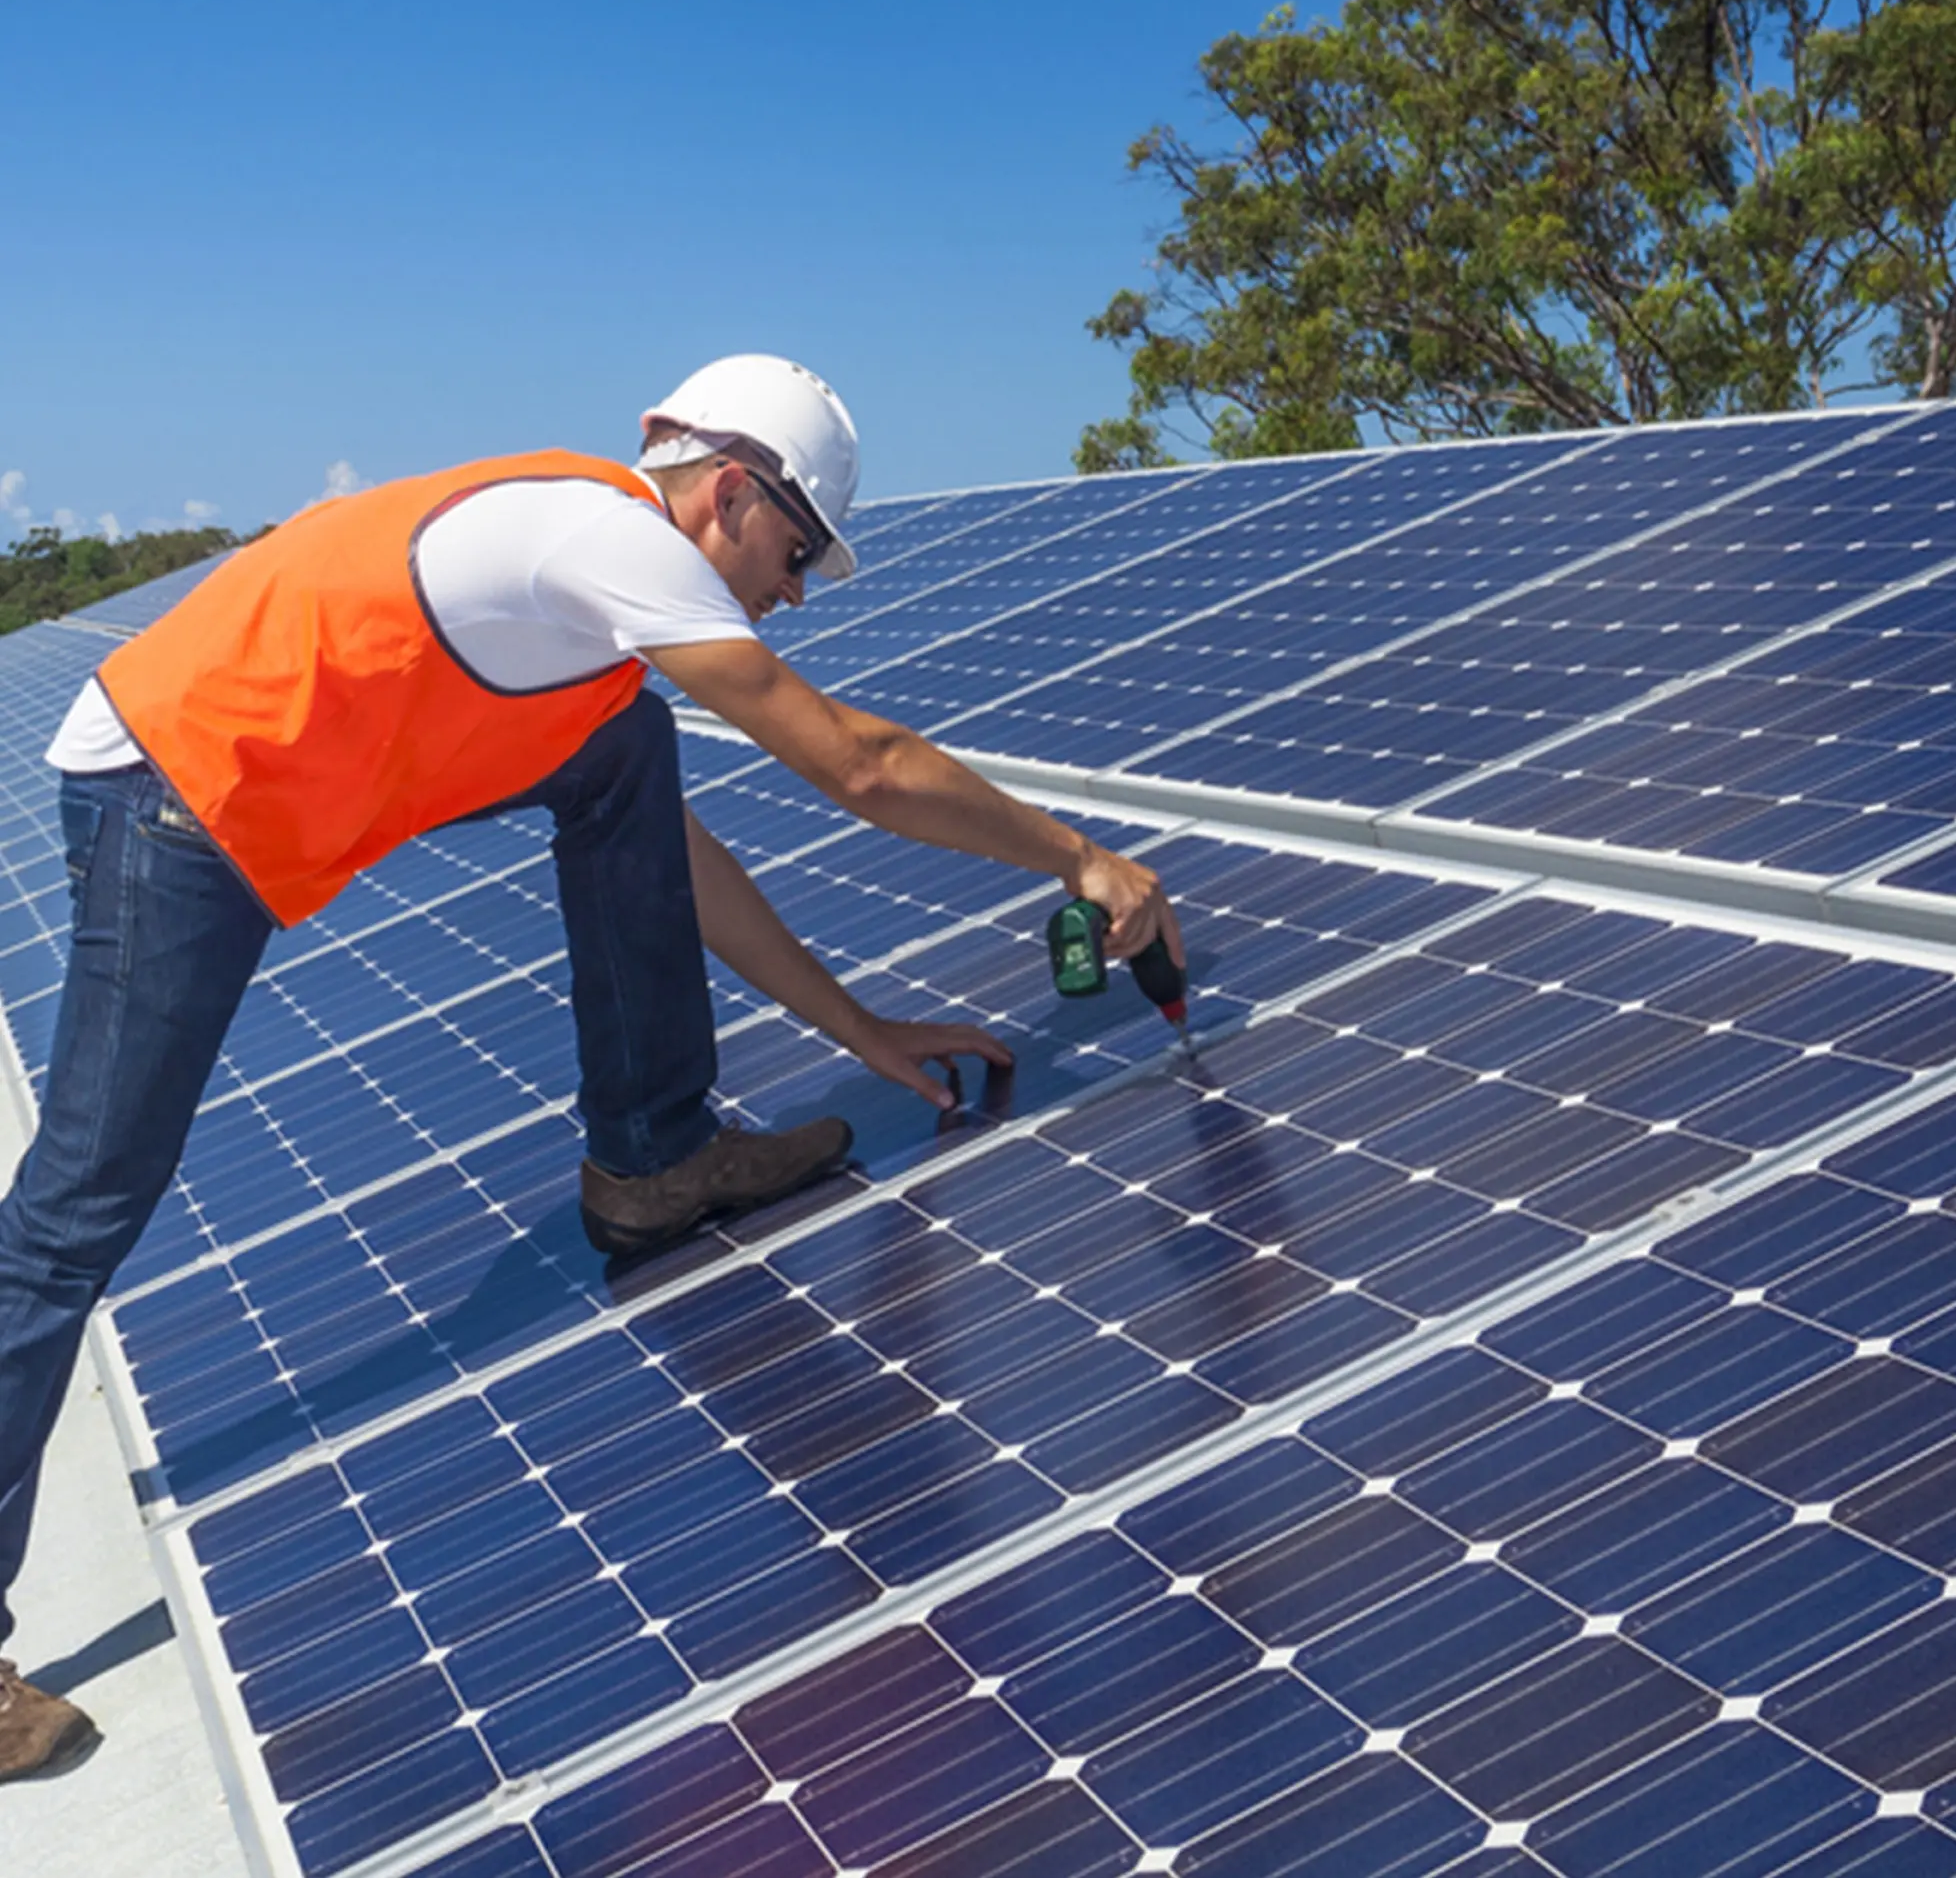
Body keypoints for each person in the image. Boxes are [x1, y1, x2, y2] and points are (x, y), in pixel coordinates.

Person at [0, 355, 1176, 1781]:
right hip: (176, 788)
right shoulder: (610, 538)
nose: (793, 590)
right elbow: (856, 763)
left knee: (626, 752)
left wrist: (861, 1028)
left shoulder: (590, 633)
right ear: (731, 490)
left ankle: (652, 1155)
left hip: (258, 779)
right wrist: (1080, 855)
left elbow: (683, 863)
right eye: (795, 552)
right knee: (81, 1206)